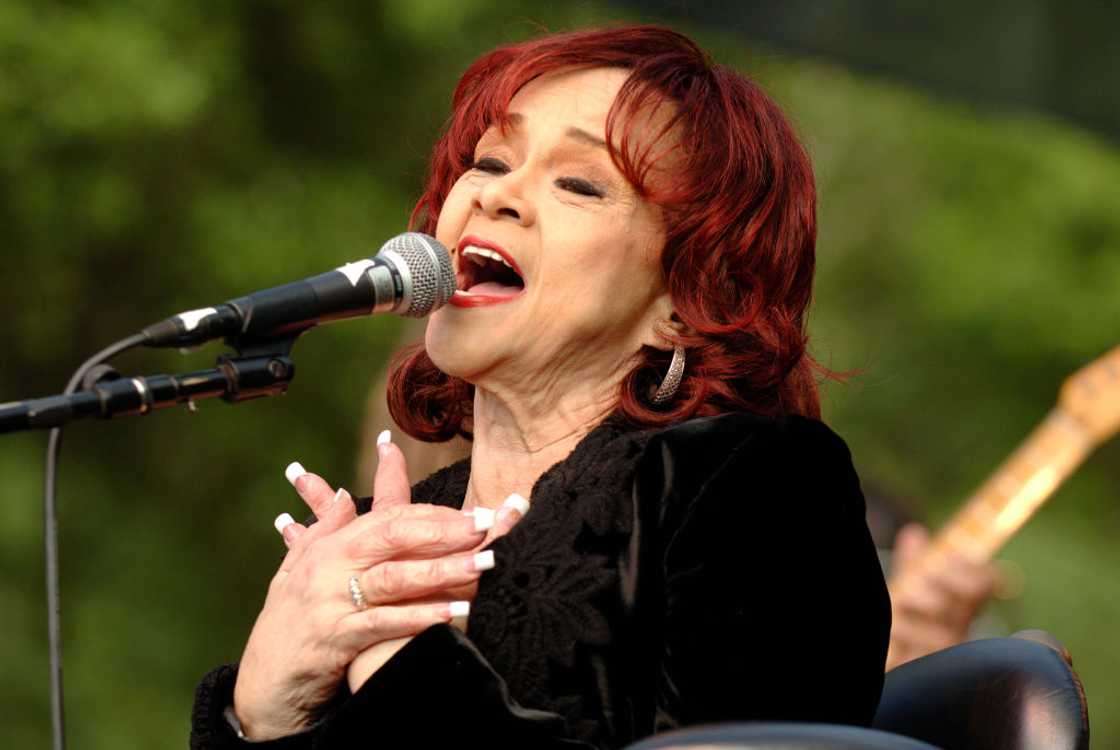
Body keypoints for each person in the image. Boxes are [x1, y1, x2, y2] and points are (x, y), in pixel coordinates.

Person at [189, 25, 891, 749]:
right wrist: (261, 714)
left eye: (579, 183)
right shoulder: (379, 537)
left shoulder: (750, 485)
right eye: (490, 161)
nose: (499, 195)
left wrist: (401, 666)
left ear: (686, 300)